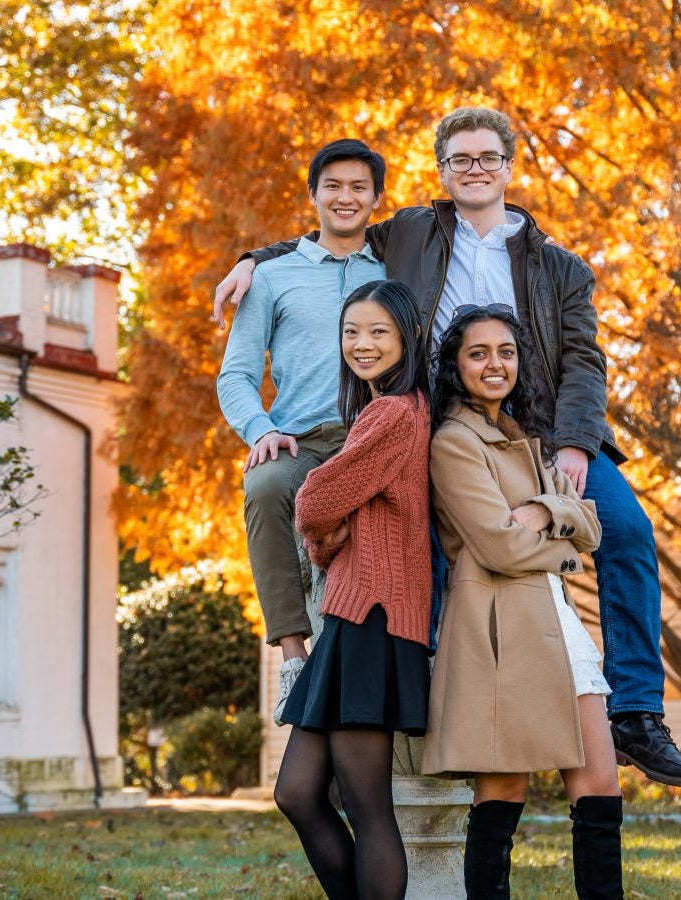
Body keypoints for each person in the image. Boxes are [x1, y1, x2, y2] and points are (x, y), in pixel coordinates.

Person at [215, 108, 681, 789]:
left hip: (540, 431)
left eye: (487, 158)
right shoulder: (415, 232)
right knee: (435, 556)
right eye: (460, 160)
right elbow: (335, 230)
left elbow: (585, 361)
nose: (475, 169)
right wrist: (255, 259)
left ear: (509, 167)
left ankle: (635, 713)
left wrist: (573, 444)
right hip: (445, 426)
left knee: (626, 531)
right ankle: (438, 704)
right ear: (442, 172)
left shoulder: (559, 266)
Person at [425, 304, 621, 898]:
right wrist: (562, 545)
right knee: (502, 792)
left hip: (558, 622)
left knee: (601, 787)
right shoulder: (454, 443)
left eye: (505, 352)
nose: (494, 364)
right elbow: (498, 547)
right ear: (456, 366)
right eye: (478, 352)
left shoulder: (528, 441)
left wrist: (540, 510)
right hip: (500, 628)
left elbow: (591, 524)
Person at [215, 139, 387, 723]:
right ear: (313, 195)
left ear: (376, 198)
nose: (346, 197)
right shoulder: (271, 277)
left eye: (358, 187)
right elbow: (235, 374)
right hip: (301, 438)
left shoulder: (395, 270)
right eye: (333, 186)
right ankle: (294, 655)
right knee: (265, 485)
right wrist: (259, 428)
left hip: (378, 434)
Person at [275, 279, 433, 900]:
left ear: (407, 338)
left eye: (378, 332)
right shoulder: (385, 411)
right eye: (351, 332)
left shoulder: (393, 412)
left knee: (369, 808)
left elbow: (314, 498)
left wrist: (321, 543)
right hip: (355, 613)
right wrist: (330, 535)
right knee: (297, 792)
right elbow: (332, 500)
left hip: (374, 617)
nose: (361, 344)